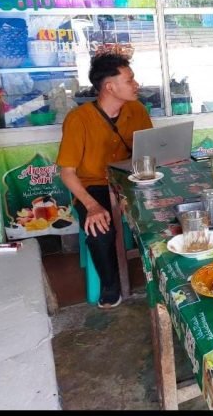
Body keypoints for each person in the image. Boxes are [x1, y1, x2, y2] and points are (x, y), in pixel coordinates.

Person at [57, 53, 152, 309]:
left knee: (167, 207)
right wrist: (92, 206)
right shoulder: (78, 120)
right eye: (129, 80)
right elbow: (67, 172)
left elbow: (147, 150)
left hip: (130, 179)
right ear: (110, 87)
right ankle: (110, 285)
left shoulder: (137, 110)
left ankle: (160, 269)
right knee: (100, 229)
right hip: (92, 185)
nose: (136, 84)